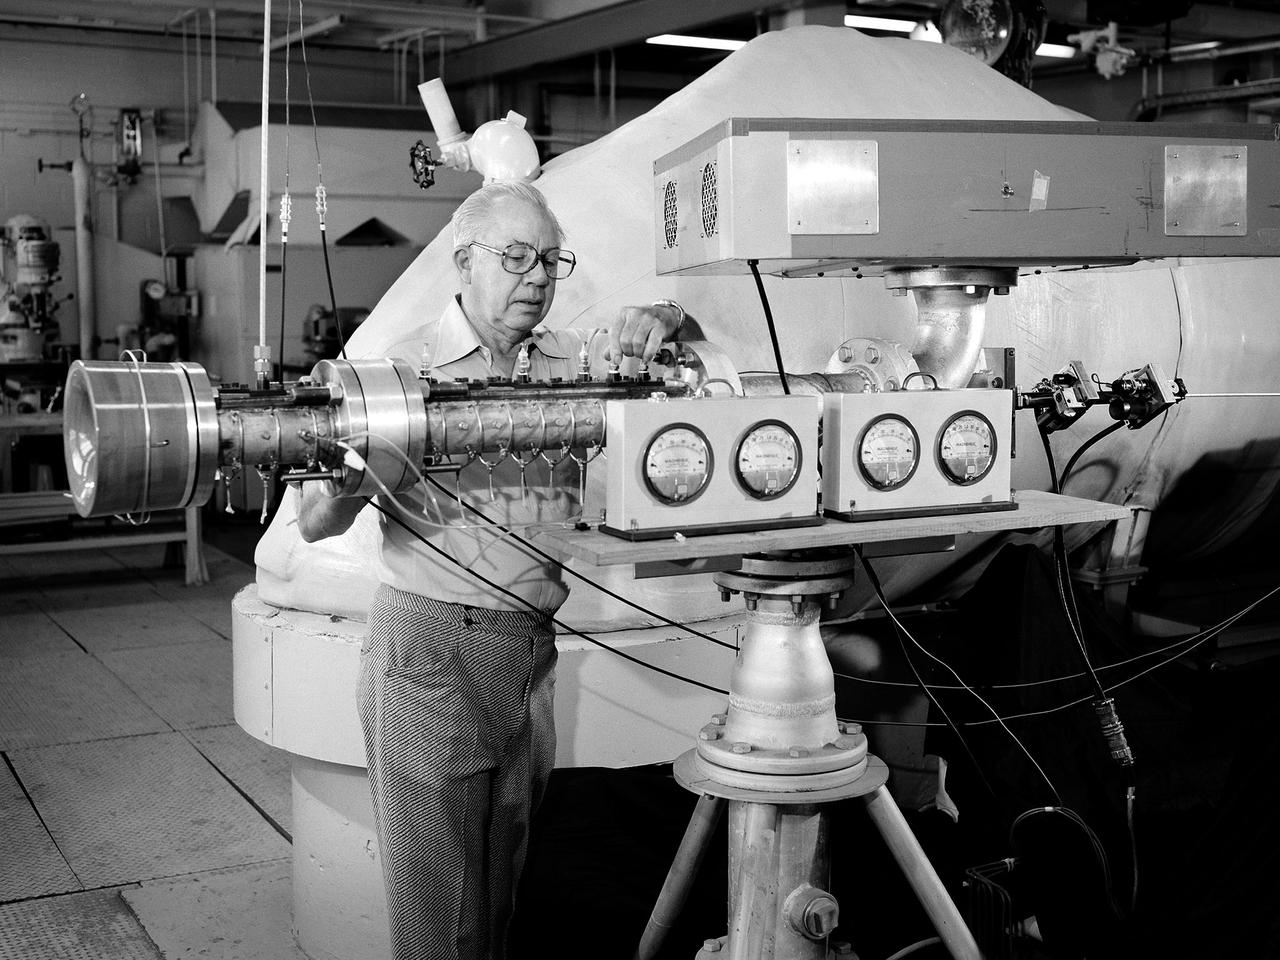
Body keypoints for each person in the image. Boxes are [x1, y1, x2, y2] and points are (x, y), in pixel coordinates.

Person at [297, 180, 693, 960]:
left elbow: (672, 345)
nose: (537, 276)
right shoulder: (400, 368)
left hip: (528, 650)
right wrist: (350, 482)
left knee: (502, 899)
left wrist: (666, 318)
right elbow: (313, 520)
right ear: (463, 261)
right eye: (515, 257)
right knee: (437, 918)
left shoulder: (569, 363)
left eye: (550, 259)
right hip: (431, 649)